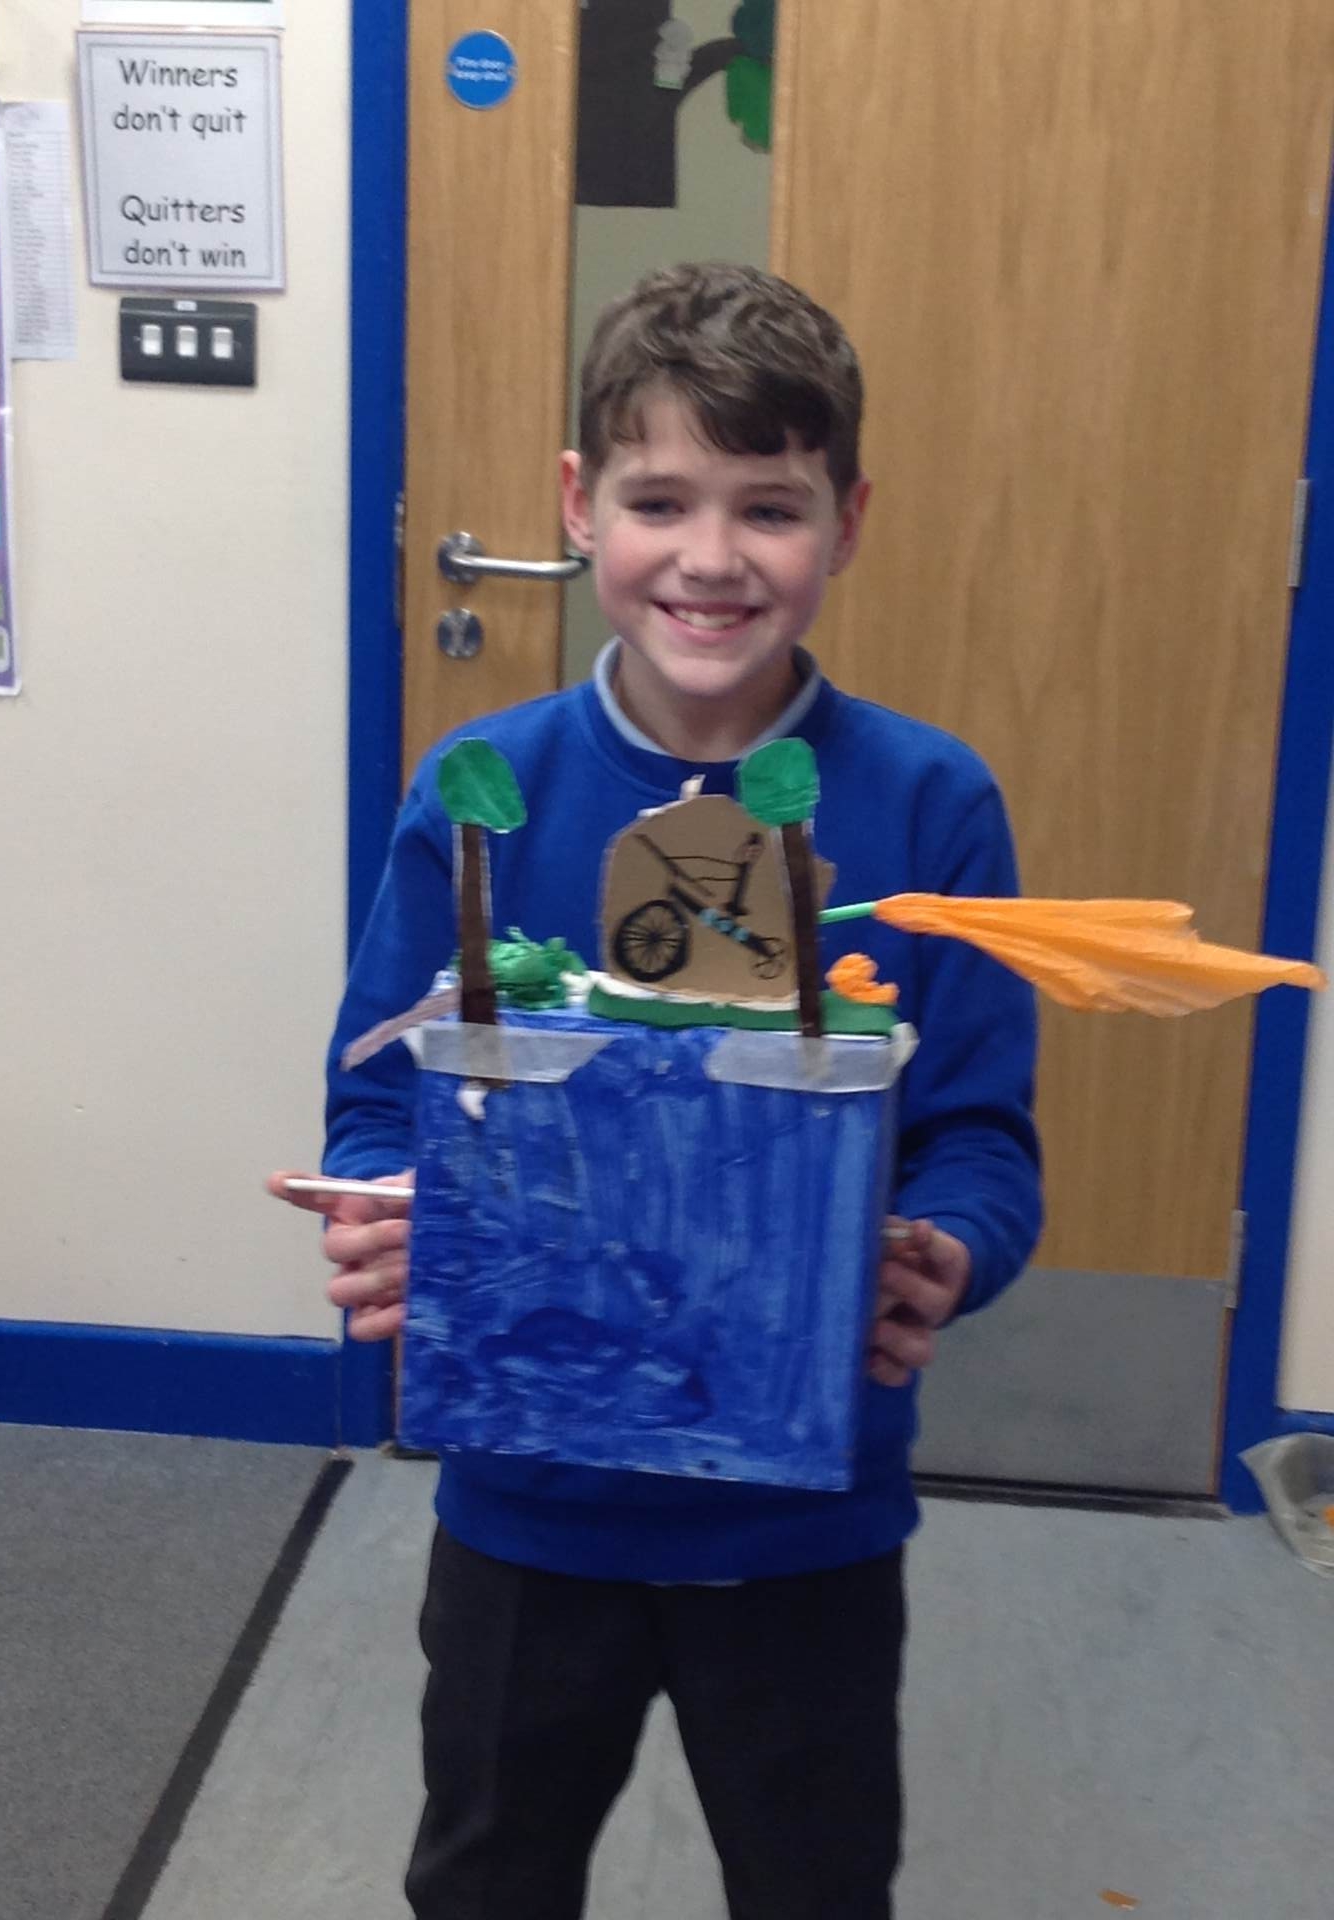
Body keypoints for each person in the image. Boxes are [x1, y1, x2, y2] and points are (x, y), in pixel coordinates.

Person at [271, 261, 1042, 1919]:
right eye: (658, 499)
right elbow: (380, 1097)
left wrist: (947, 1250)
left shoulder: (929, 805)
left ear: (845, 521)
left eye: (768, 507)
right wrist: (390, 1209)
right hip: (529, 1506)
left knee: (813, 1879)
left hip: (803, 1515)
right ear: (578, 502)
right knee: (487, 1873)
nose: (709, 557)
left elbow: (980, 1138)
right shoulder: (484, 789)